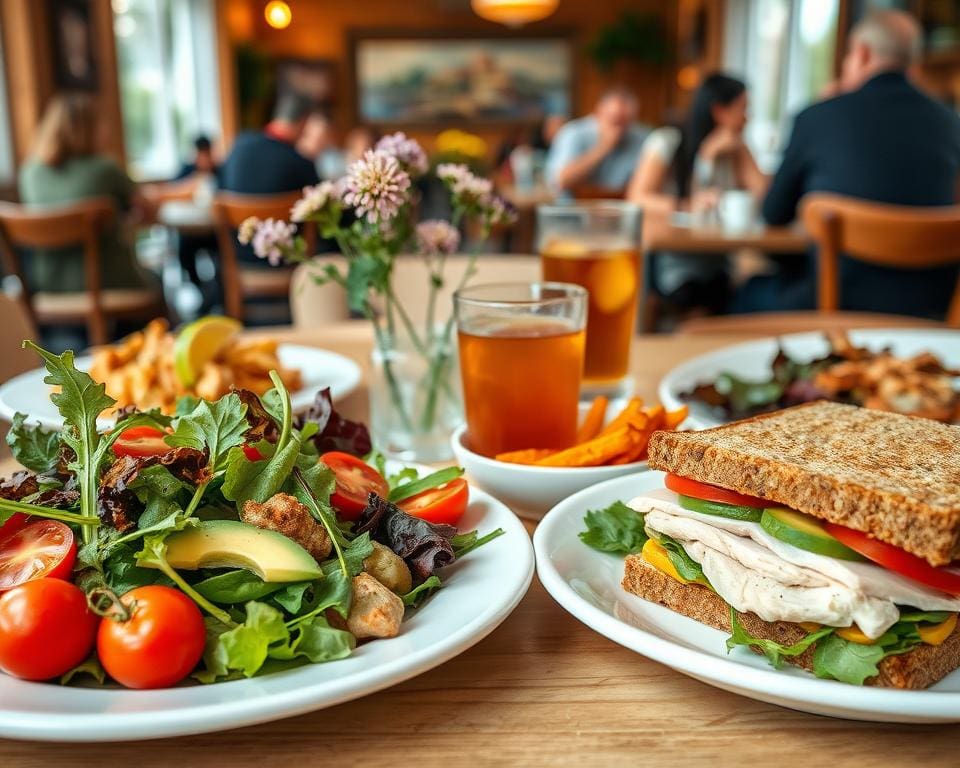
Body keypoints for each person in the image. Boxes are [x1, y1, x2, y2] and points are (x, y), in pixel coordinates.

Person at [745, 9, 960, 318]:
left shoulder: (817, 117)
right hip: (930, 314)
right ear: (913, 63)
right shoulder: (951, 124)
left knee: (746, 292)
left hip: (836, 307)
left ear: (861, 53)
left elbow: (773, 213)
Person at [626, 73, 767, 312]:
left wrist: (741, 152)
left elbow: (765, 195)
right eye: (742, 108)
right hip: (676, 262)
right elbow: (637, 197)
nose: (747, 117)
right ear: (720, 111)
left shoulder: (736, 147)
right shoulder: (668, 140)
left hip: (720, 261)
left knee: (743, 296)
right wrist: (706, 159)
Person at [18, 93, 156, 295]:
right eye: (101, 124)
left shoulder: (29, 173)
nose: (106, 131)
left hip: (47, 287)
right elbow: (148, 212)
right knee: (156, 283)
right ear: (90, 129)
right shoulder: (105, 169)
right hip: (108, 284)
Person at [220, 91, 320, 267]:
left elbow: (219, 189)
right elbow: (319, 211)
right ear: (303, 122)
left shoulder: (238, 146)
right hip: (287, 261)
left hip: (238, 260)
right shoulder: (301, 163)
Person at [546, 87, 649, 195]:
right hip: (574, 208)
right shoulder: (574, 133)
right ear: (599, 112)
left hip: (618, 206)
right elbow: (561, 182)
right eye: (614, 119)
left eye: (626, 121)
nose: (620, 128)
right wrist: (603, 148)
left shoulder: (642, 138)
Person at [221, 91, 319, 198]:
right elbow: (317, 202)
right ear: (303, 121)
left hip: (235, 215)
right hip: (279, 215)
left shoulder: (240, 144)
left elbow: (220, 187)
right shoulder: (301, 163)